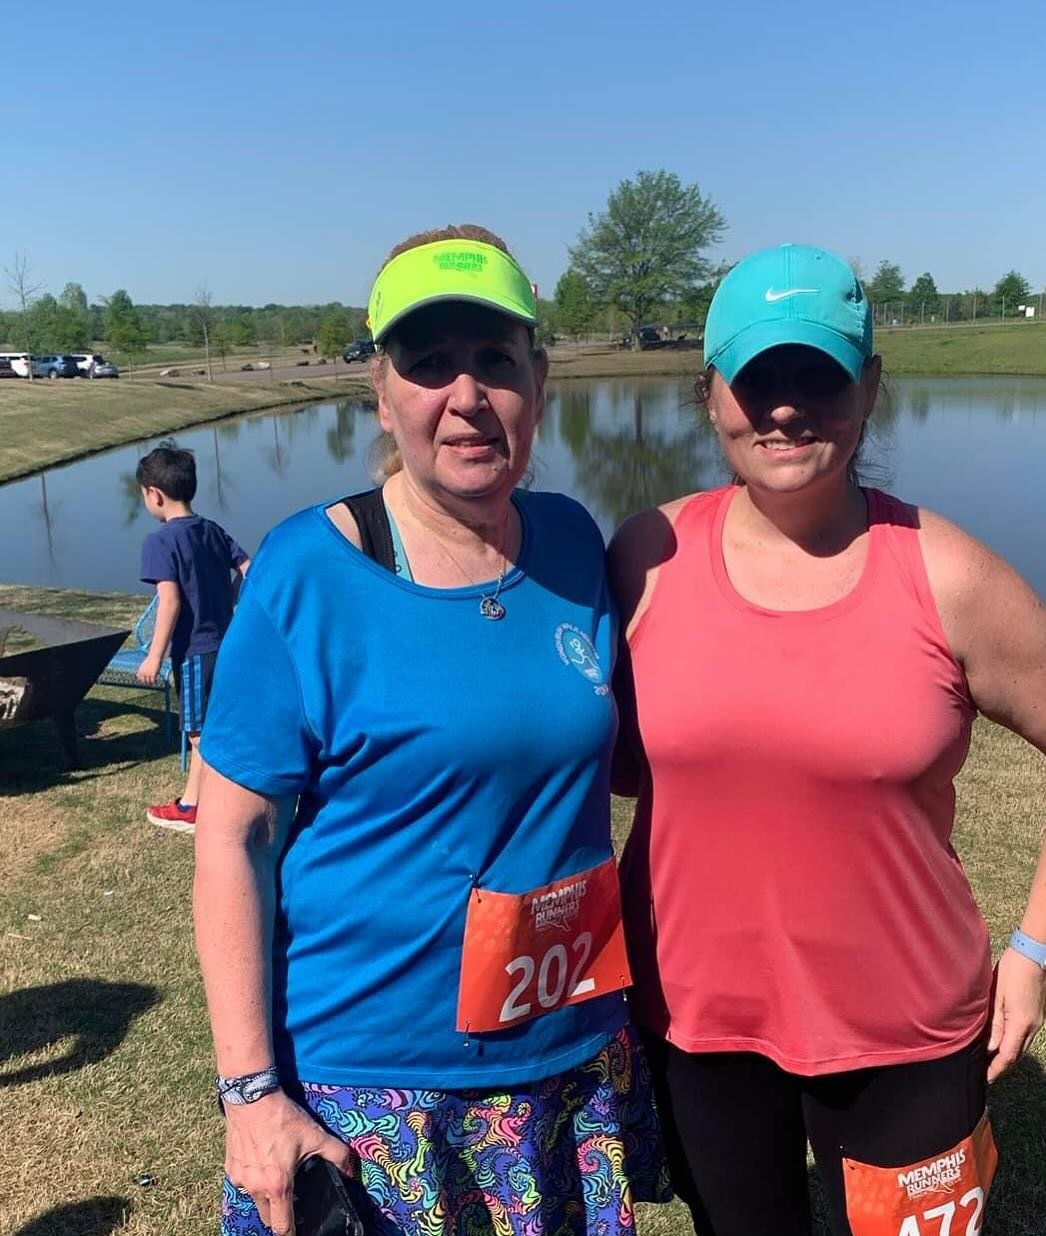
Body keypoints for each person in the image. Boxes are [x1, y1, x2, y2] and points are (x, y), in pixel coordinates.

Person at [608, 244, 1046, 1236]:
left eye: (820, 374)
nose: (786, 407)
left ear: (871, 388)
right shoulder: (646, 554)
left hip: (907, 1033)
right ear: (708, 393)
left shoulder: (950, 577)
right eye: (758, 379)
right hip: (694, 1025)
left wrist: (1031, 953)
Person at [194, 225, 667, 1236]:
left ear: (538, 383)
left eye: (495, 361)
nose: (466, 395)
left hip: (566, 1056)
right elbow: (231, 837)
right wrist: (249, 1095)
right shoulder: (310, 573)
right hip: (373, 1085)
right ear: (382, 392)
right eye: (429, 363)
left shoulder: (577, 545)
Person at [135, 442, 248, 832]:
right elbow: (251, 569)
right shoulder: (212, 530)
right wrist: (229, 603)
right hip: (227, 645)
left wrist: (154, 655)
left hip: (195, 653)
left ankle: (198, 808)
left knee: (202, 734)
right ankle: (193, 803)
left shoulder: (160, 541)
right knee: (214, 725)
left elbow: (169, 602)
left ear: (155, 494)